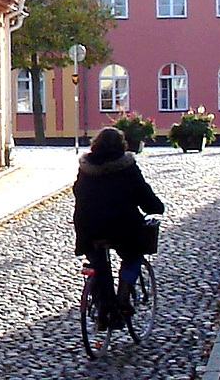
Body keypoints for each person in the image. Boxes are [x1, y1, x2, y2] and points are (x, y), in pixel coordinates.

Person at [73, 127, 164, 329]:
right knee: (133, 254)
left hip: (90, 228)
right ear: (121, 145)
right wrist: (156, 207)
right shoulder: (126, 166)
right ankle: (123, 294)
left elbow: (78, 193)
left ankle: (104, 308)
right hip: (123, 227)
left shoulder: (86, 168)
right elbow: (143, 193)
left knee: (98, 264)